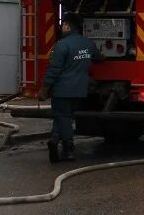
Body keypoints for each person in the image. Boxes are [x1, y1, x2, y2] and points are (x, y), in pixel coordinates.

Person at [38, 13, 100, 162]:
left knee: (63, 117)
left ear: (68, 26)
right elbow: (98, 57)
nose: (61, 26)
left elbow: (53, 70)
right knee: (64, 117)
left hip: (62, 90)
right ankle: (54, 140)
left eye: (63, 24)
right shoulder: (87, 43)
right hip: (79, 91)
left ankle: (68, 149)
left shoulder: (62, 45)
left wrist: (44, 88)